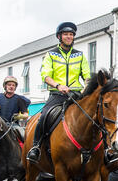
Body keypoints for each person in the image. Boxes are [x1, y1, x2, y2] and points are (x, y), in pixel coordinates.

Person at [26, 21, 91, 164]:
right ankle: (36, 147)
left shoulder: (80, 55)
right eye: (66, 34)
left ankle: (102, 150)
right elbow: (46, 76)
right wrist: (58, 85)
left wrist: (87, 87)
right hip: (57, 94)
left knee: (92, 117)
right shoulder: (51, 55)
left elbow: (87, 75)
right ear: (59, 37)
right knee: (43, 117)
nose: (69, 37)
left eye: (71, 35)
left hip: (76, 94)